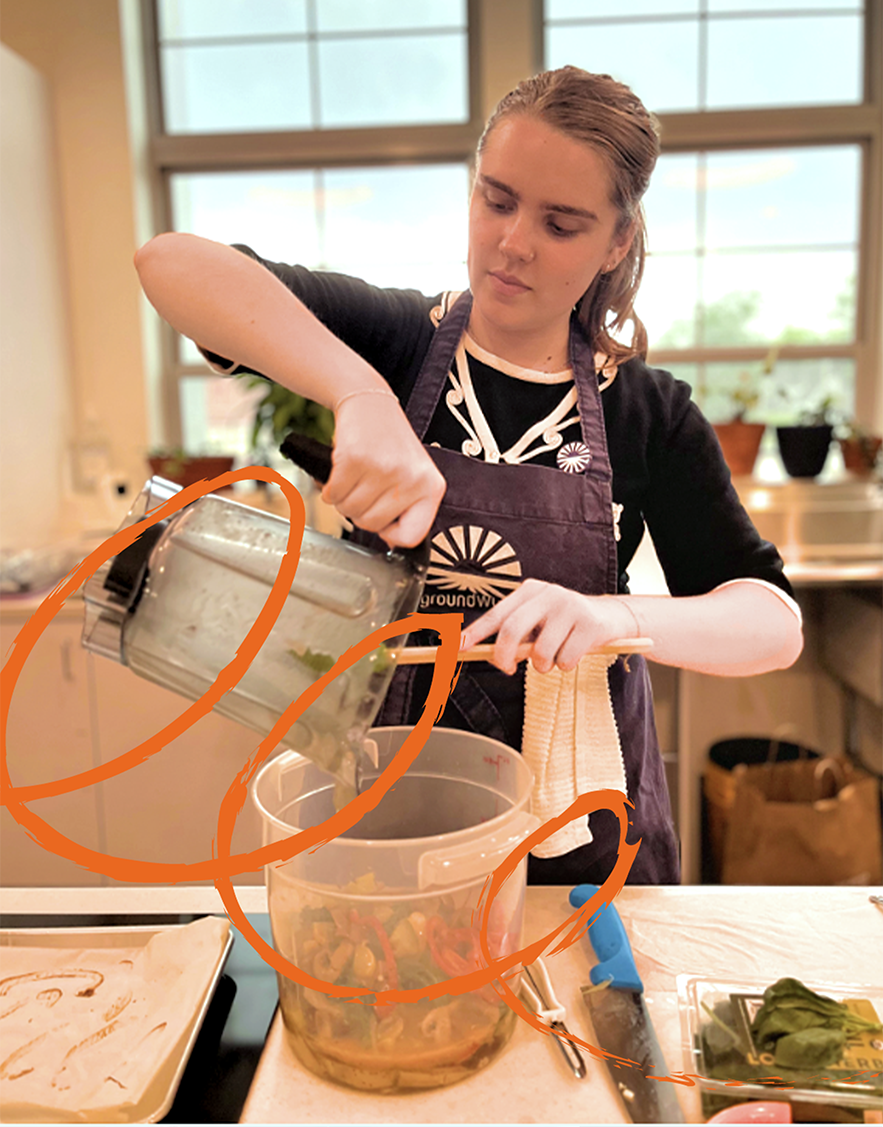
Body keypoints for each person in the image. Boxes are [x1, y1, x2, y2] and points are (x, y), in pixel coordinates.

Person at [134, 65, 803, 886]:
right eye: (496, 200)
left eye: (561, 225)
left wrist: (609, 616)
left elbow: (772, 624)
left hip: (576, 841)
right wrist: (358, 392)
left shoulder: (645, 412)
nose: (513, 242)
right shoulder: (396, 340)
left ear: (615, 242)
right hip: (389, 818)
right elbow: (170, 263)